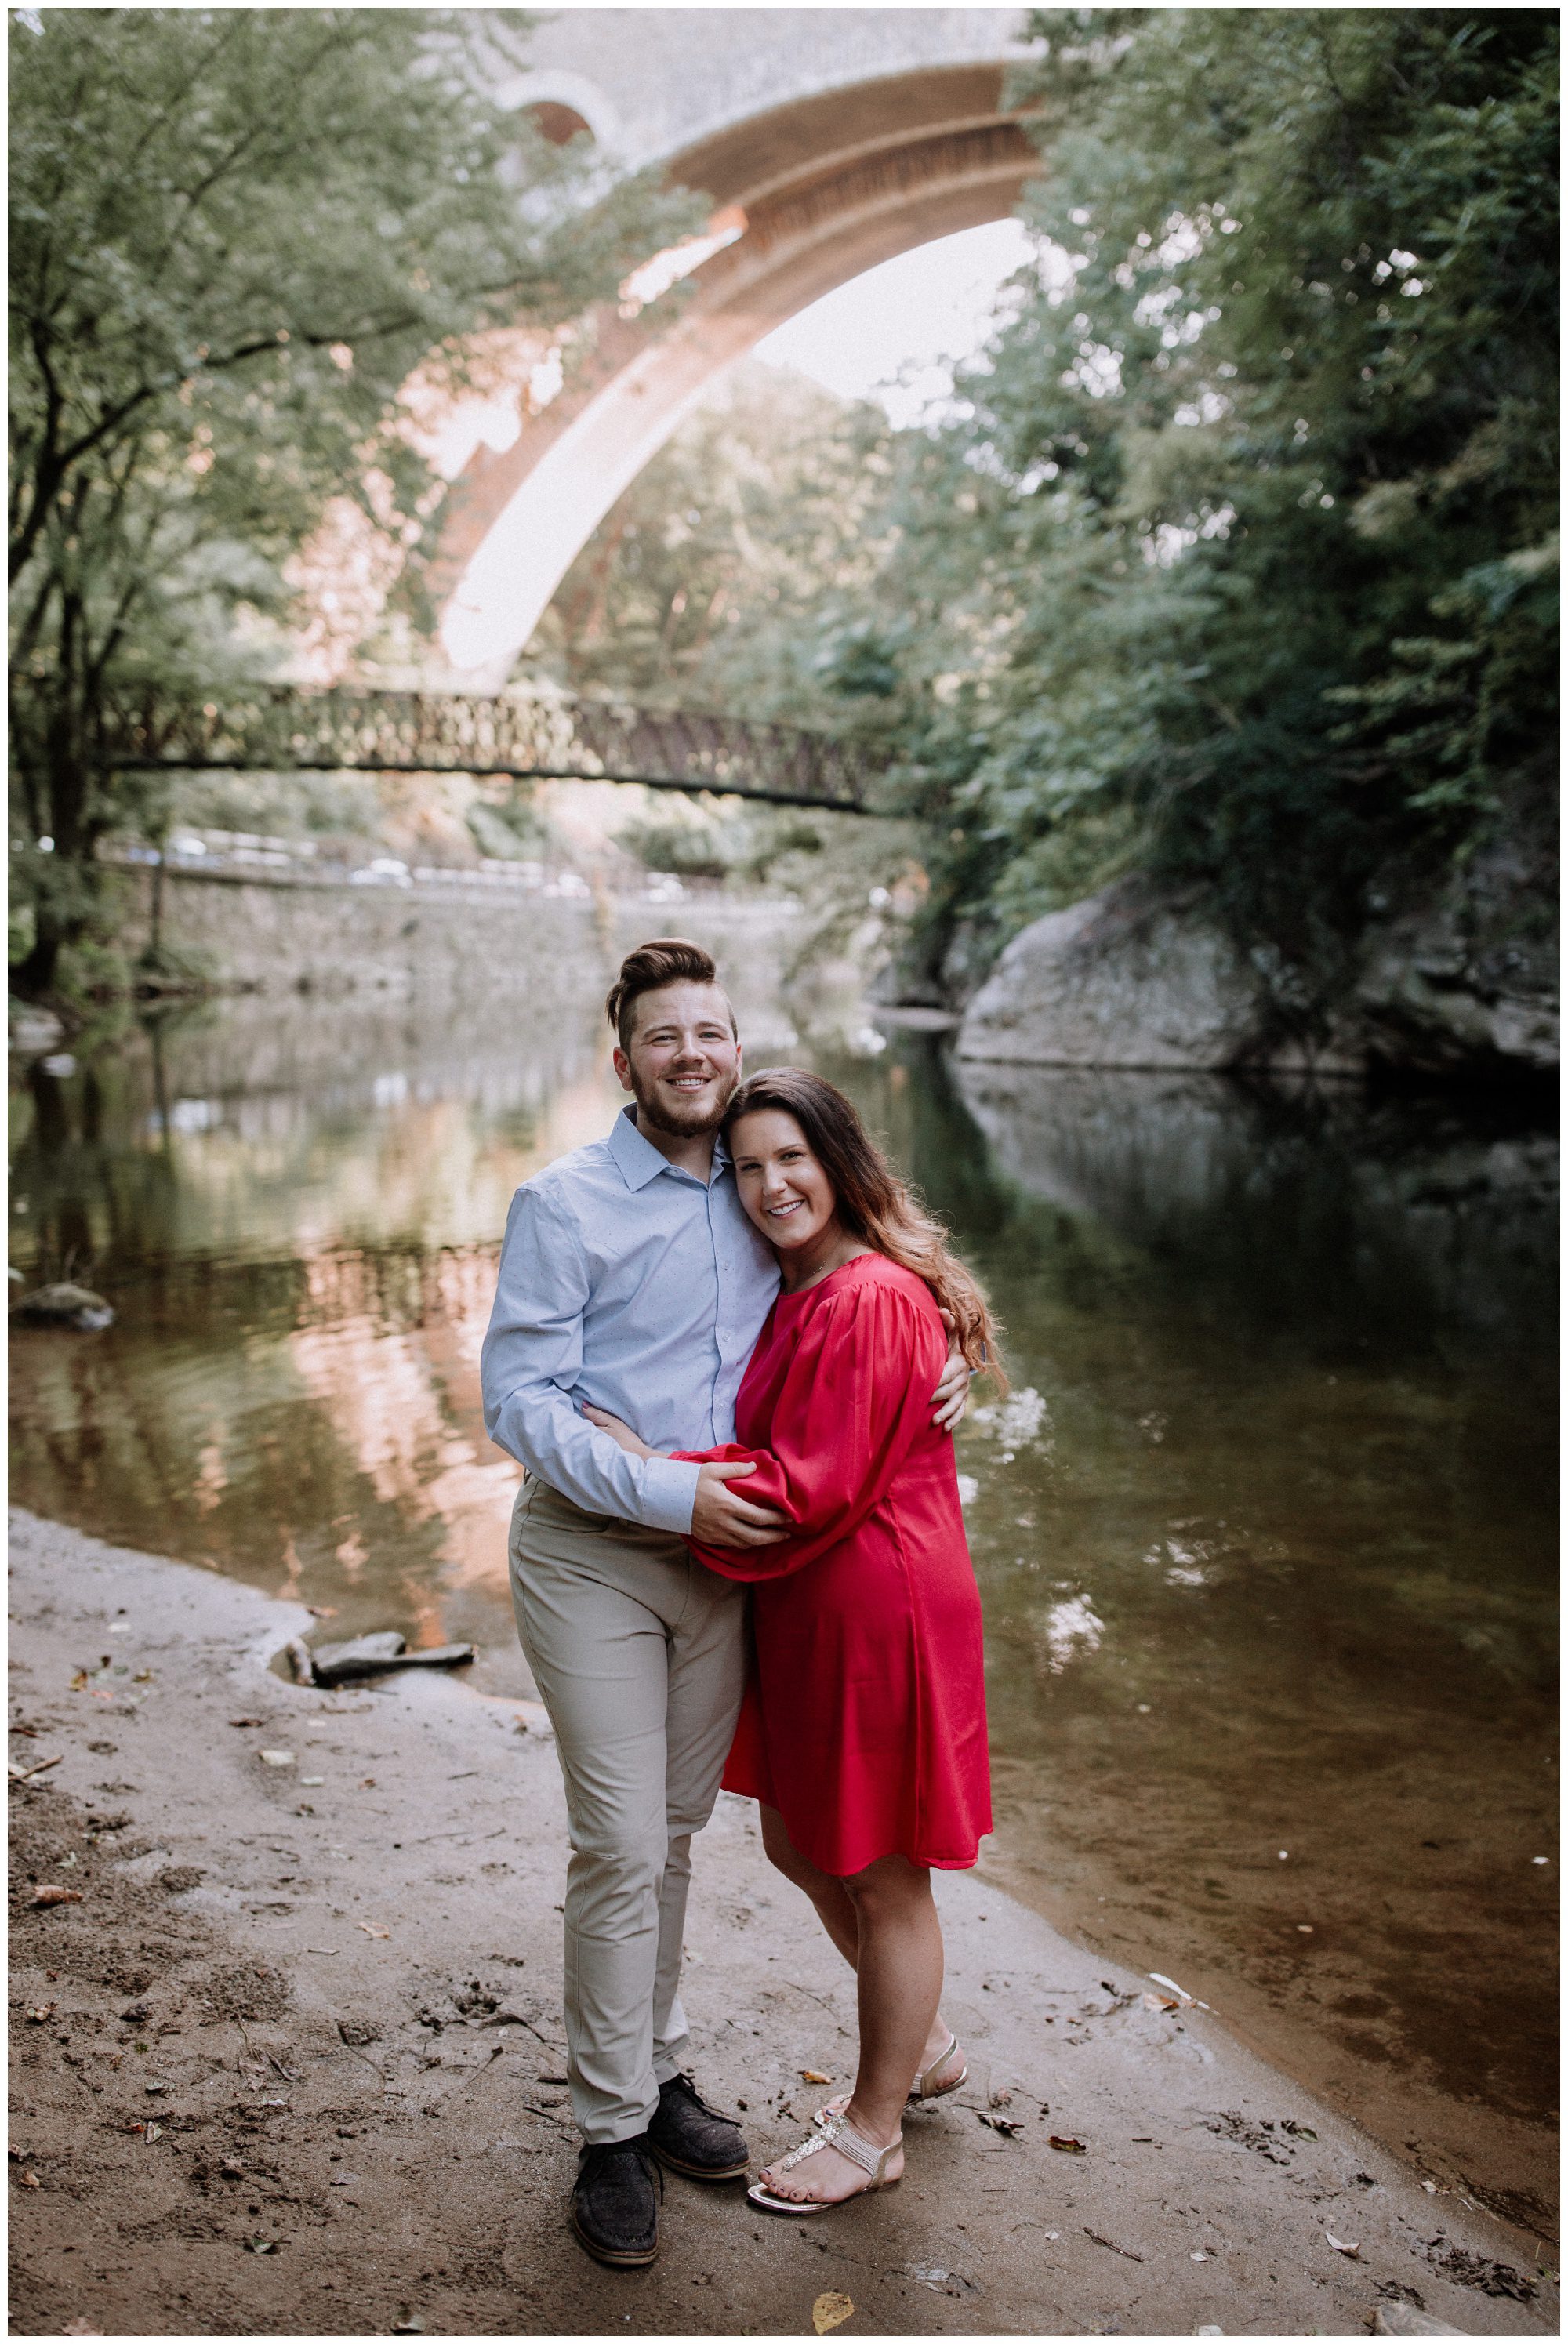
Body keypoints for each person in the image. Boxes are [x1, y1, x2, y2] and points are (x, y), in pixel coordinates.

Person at [480, 940, 970, 2269]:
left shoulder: (765, 1190)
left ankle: (661, 2069)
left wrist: (945, 1352)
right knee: (620, 1841)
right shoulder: (566, 1200)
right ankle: (606, 2129)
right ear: (623, 1055)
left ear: (736, 1040)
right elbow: (518, 1402)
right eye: (662, 1036)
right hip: (601, 1549)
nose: (689, 1053)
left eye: (710, 1030)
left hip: (733, 1562)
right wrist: (661, 1489)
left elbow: (875, 1283)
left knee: (680, 1833)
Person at [585, 1065, 999, 2218]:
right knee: (802, 1846)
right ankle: (926, 2045)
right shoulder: (799, 1285)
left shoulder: (863, 1295)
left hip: (881, 1605)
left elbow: (804, 1489)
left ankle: (874, 2129)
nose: (770, 1184)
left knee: (883, 1868)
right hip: (819, 1605)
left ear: (841, 1161)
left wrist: (640, 1469)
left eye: (792, 1159)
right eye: (748, 1164)